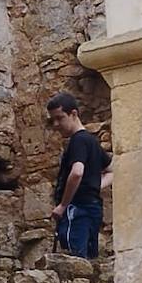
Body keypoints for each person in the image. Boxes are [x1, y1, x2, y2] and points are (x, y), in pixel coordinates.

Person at [47, 92, 112, 259]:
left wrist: (63, 205)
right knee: (87, 262)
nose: (56, 124)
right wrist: (94, 186)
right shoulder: (92, 142)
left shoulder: (78, 140)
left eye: (60, 118)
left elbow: (76, 172)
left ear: (73, 114)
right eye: (52, 120)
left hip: (76, 210)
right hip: (92, 209)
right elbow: (112, 170)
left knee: (72, 261)